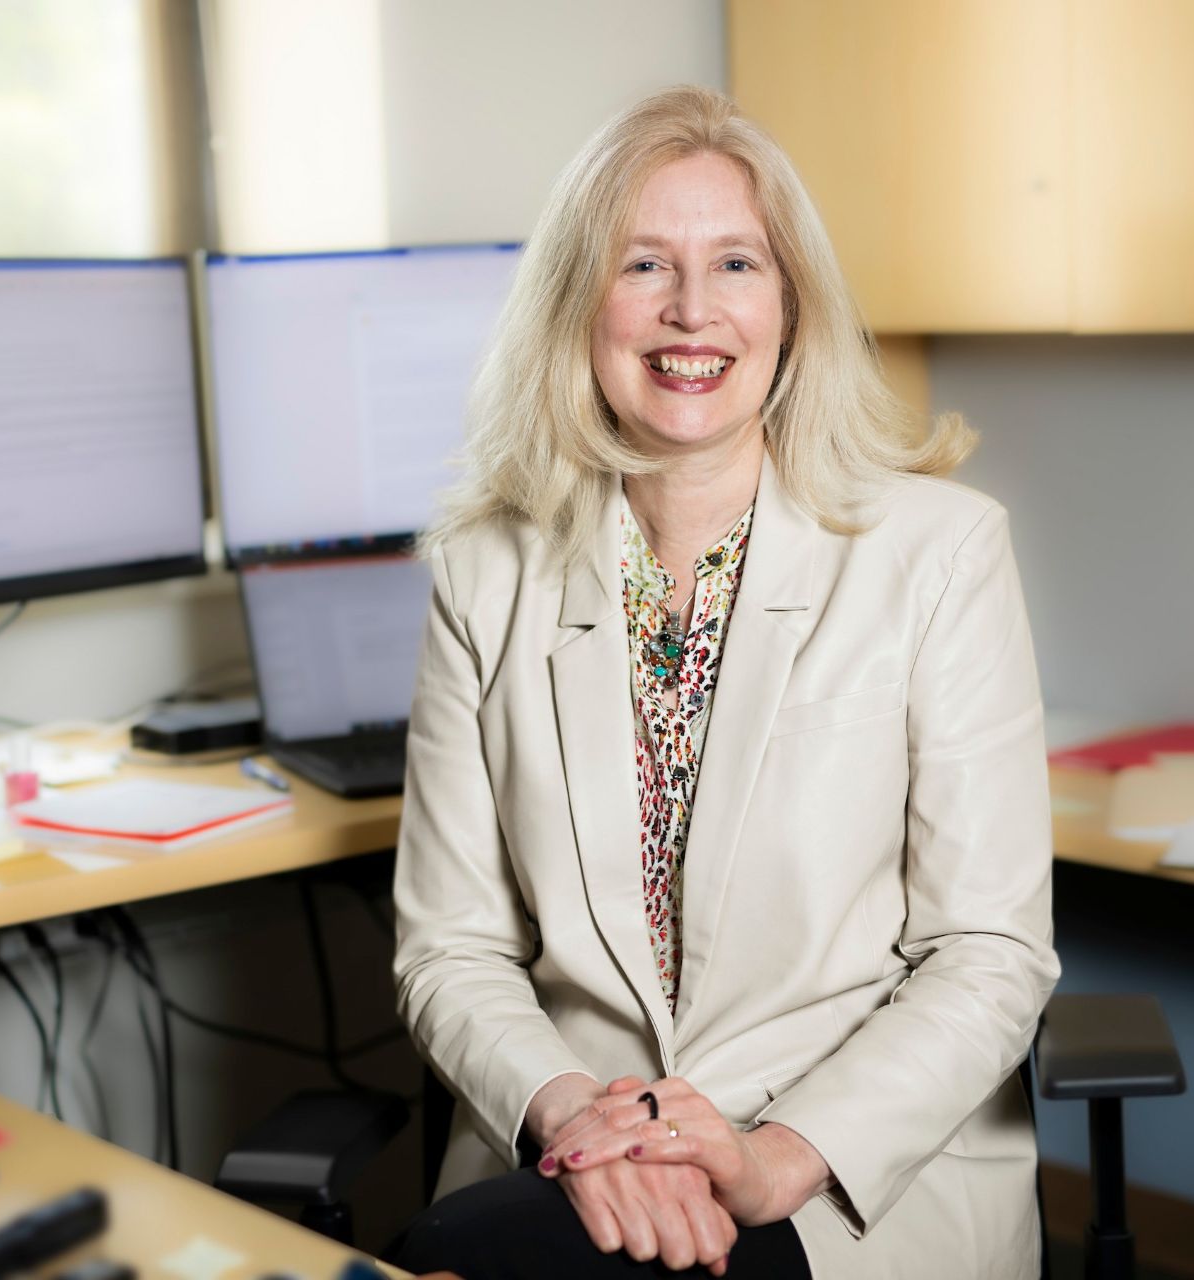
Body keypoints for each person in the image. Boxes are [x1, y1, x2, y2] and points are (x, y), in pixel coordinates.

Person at [388, 85, 1060, 1279]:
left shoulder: (936, 550)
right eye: (643, 263)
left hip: (844, 1174)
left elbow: (989, 953)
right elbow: (451, 948)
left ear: (790, 307)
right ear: (577, 304)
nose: (691, 310)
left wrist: (771, 1157)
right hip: (576, 1151)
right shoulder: (482, 571)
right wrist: (575, 1118)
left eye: (736, 262)